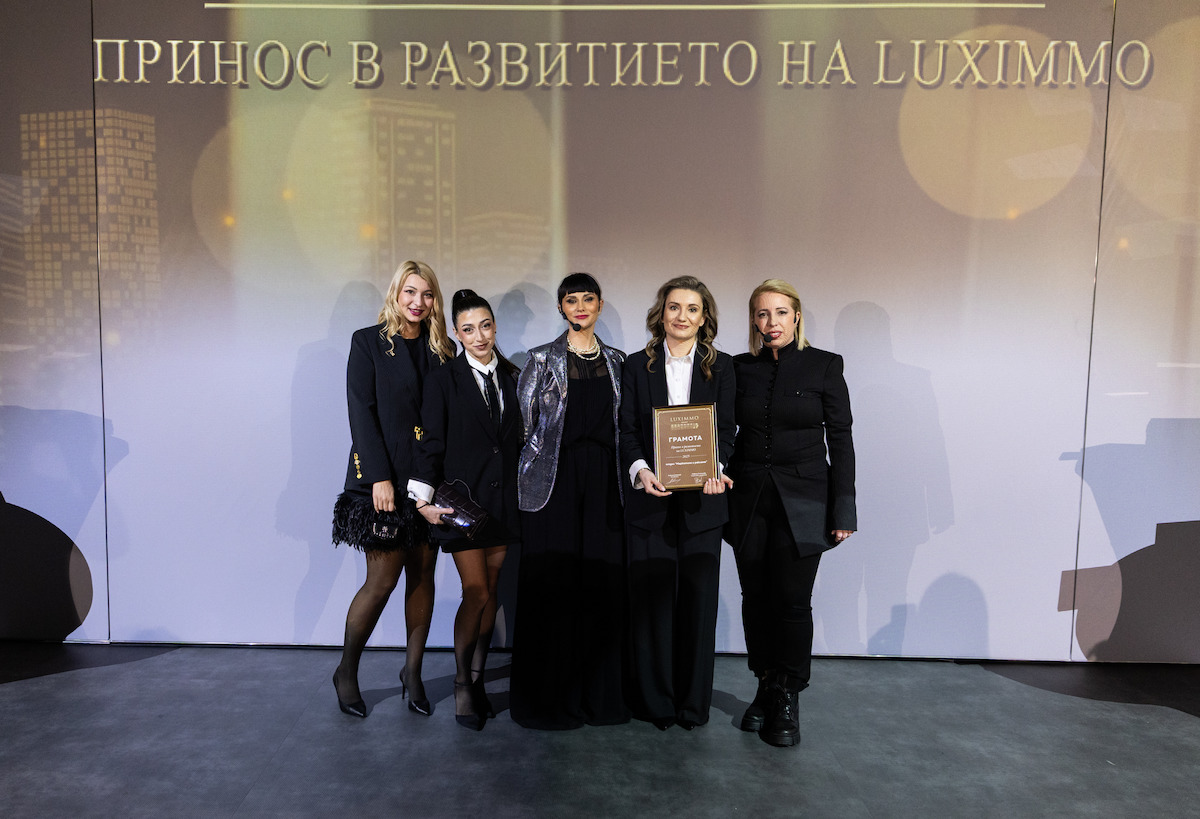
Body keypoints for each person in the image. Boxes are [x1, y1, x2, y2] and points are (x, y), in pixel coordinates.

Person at [725, 278, 856, 748]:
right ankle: (764, 684)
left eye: (780, 312)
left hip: (805, 502)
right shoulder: (739, 367)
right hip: (748, 500)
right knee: (754, 598)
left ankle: (788, 695)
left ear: (796, 316)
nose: (771, 322)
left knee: (792, 601)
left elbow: (840, 438)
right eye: (762, 314)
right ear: (753, 320)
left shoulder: (825, 365)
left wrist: (844, 509)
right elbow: (721, 430)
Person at [330, 260, 455, 719]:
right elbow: (360, 411)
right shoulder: (368, 342)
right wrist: (378, 477)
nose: (418, 302)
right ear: (396, 294)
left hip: (427, 483)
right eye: (410, 292)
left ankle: (413, 673)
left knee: (423, 577)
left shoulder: (443, 349)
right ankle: (346, 672)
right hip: (381, 483)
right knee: (381, 582)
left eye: (427, 294)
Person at [510, 272, 629, 729]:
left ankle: (599, 698)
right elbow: (523, 429)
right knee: (553, 587)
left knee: (600, 586)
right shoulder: (540, 360)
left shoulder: (618, 362)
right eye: (571, 300)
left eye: (588, 299)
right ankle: (549, 699)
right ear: (561, 307)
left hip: (605, 486)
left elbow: (627, 427)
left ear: (600, 305)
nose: (580, 306)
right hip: (552, 486)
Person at [619, 276, 735, 730]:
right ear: (661, 314)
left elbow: (728, 429)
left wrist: (715, 467)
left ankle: (692, 705)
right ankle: (656, 704)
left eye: (691, 308)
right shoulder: (636, 366)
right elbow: (626, 429)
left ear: (704, 318)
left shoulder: (723, 367)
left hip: (703, 506)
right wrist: (640, 470)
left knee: (698, 607)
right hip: (650, 503)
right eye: (673, 307)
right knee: (652, 606)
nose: (681, 316)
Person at [409, 289, 523, 731]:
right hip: (461, 506)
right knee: (475, 590)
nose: (479, 336)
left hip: (503, 504)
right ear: (457, 333)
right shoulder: (444, 379)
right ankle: (461, 684)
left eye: (485, 326)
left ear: (495, 327)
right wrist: (423, 500)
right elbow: (430, 442)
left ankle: (477, 680)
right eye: (469, 329)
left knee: (491, 591)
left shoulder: (511, 375)